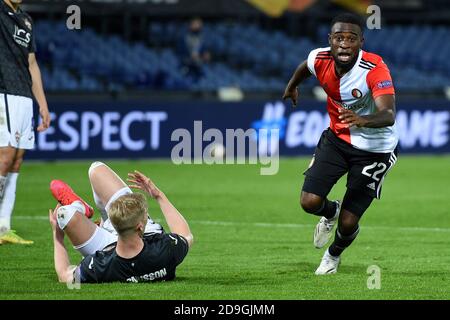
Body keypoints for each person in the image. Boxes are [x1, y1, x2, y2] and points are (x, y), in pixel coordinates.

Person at [282, 13, 398, 275]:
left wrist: (362, 119)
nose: (345, 44)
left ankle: (333, 256)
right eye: (339, 38)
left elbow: (388, 114)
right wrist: (292, 86)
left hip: (375, 151)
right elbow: (305, 67)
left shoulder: (374, 68)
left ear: (361, 42)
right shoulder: (319, 58)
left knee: (348, 223)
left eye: (351, 38)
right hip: (337, 140)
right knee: (309, 202)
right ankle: (330, 210)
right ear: (330, 41)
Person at [48, 161, 193, 283]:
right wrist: (158, 195)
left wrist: (57, 236)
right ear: (140, 226)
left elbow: (64, 275)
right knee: (96, 171)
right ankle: (88, 216)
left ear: (114, 224)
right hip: (131, 238)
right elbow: (186, 236)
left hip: (107, 246)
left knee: (63, 215)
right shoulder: (164, 250)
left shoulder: (102, 265)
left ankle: (79, 206)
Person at [0, 0, 51, 244]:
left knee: (17, 160)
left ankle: (4, 227)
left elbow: (31, 64)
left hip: (23, 96)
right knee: (5, 156)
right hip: (4, 92)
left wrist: (42, 103)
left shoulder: (27, 20)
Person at [177, 17, 211, 82]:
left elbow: (205, 52)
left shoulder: (202, 38)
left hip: (198, 67)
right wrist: (190, 57)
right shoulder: (184, 37)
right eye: (196, 24)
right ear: (190, 25)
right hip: (185, 66)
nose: (198, 26)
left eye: (199, 24)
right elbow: (180, 54)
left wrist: (205, 56)